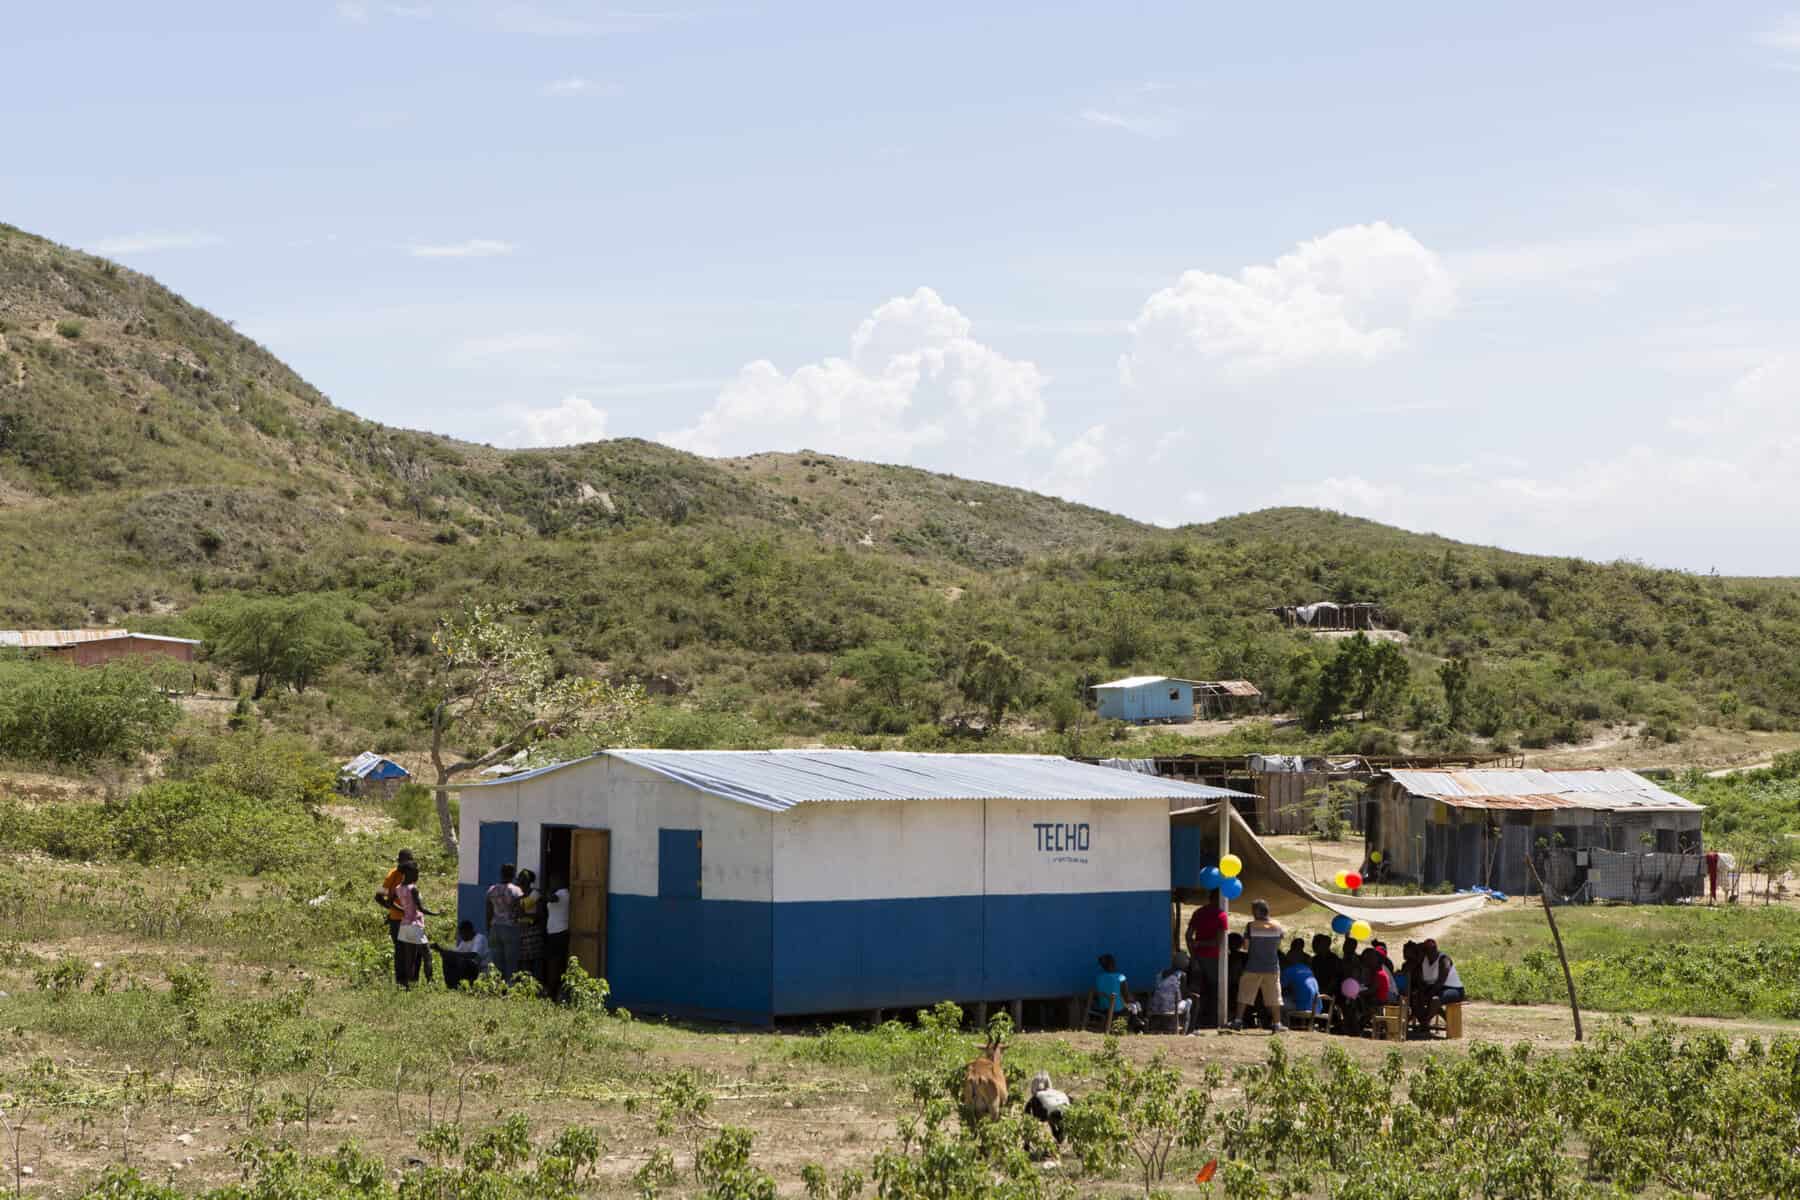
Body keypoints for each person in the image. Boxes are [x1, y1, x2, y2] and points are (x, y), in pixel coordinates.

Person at [1230, 899, 1287, 1033]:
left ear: (1257, 911)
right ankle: (1277, 1024)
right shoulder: (1278, 926)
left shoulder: (1251, 926)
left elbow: (1246, 946)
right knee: (1274, 996)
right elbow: (1278, 945)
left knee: (1244, 994)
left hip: (1253, 966)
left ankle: (1238, 1021)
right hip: (1272, 967)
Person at [1184, 891, 1229, 1030]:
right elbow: (1219, 942)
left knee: (1197, 991)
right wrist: (1203, 945)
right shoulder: (1221, 915)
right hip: (1214, 959)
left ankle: (1194, 1020)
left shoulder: (1198, 912)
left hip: (1198, 957)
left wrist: (1194, 954)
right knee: (1214, 990)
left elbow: (1188, 936)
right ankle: (1213, 1020)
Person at [393, 862, 440, 988]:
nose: (418, 875)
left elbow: (390, 902)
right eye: (416, 873)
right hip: (415, 924)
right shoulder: (413, 888)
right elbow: (421, 908)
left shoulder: (398, 888)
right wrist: (436, 913)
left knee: (410, 957)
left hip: (404, 926)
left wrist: (403, 910)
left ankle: (409, 984)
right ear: (409, 873)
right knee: (427, 955)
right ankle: (430, 982)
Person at [375, 849, 416, 985]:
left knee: (411, 952)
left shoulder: (411, 874)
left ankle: (410, 982)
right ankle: (402, 983)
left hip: (408, 920)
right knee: (401, 952)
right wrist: (395, 910)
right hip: (397, 921)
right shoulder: (393, 875)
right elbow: (379, 896)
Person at [1413, 938, 1465, 1035]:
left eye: (1431, 950)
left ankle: (1424, 1023)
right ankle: (1424, 1023)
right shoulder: (1423, 961)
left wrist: (1427, 995)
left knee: (1435, 1000)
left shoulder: (1444, 960)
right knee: (1415, 997)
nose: (1430, 953)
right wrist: (1422, 992)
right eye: (1426, 951)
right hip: (1436, 989)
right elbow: (1421, 982)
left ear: (1435, 949)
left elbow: (1440, 982)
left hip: (1454, 989)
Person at [486, 863, 523, 980]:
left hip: (495, 927)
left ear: (501, 874)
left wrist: (489, 928)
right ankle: (510, 987)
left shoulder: (492, 890)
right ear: (513, 874)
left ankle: (497, 985)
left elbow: (488, 912)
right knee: (511, 961)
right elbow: (519, 911)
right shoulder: (516, 891)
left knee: (497, 961)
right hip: (510, 927)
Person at [433, 920, 490, 989]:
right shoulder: (464, 942)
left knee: (460, 961)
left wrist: (452, 954)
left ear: (468, 931)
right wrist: (441, 950)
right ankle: (451, 986)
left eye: (462, 934)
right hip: (470, 968)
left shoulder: (479, 938)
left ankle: (461, 985)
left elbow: (474, 955)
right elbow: (456, 953)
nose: (461, 936)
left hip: (480, 969)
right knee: (448, 959)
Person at [1091, 954, 1141, 1029]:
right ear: (1113, 963)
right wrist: (1133, 1001)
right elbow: (1126, 996)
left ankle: (1134, 1021)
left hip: (1103, 1007)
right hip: (1117, 1009)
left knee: (1130, 1004)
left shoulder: (1099, 978)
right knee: (1135, 1005)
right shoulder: (1121, 977)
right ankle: (1135, 1022)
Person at [516, 868, 546, 989]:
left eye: (523, 881)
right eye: (520, 881)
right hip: (523, 932)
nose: (521, 884)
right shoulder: (520, 896)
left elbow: (540, 914)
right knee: (524, 963)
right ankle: (526, 988)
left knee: (536, 962)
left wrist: (525, 916)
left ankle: (536, 988)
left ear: (529, 881)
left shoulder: (535, 895)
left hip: (534, 932)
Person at [1149, 953, 1193, 1032]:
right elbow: (1183, 994)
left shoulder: (1160, 974)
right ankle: (1186, 1030)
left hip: (1157, 1007)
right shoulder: (1181, 975)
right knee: (1189, 1001)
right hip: (1172, 1008)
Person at [544, 875, 571, 1000]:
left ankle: (553, 993)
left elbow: (550, 898)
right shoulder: (560, 893)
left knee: (555, 964)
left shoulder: (563, 893)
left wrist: (549, 889)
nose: (551, 883)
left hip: (559, 933)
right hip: (555, 933)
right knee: (555, 963)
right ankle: (554, 991)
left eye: (553, 881)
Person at [1280, 944, 1321, 1025]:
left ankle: (1283, 1025)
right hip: (1317, 1007)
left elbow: (1279, 987)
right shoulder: (1308, 969)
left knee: (1276, 1003)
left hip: (1303, 1007)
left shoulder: (1289, 970)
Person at [1024, 1071, 1070, 1144]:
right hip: (1057, 1109)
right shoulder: (1058, 1094)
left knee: (1056, 1126)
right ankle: (1058, 1137)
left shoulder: (1040, 1097)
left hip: (1055, 1110)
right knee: (1056, 1126)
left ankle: (1058, 1138)